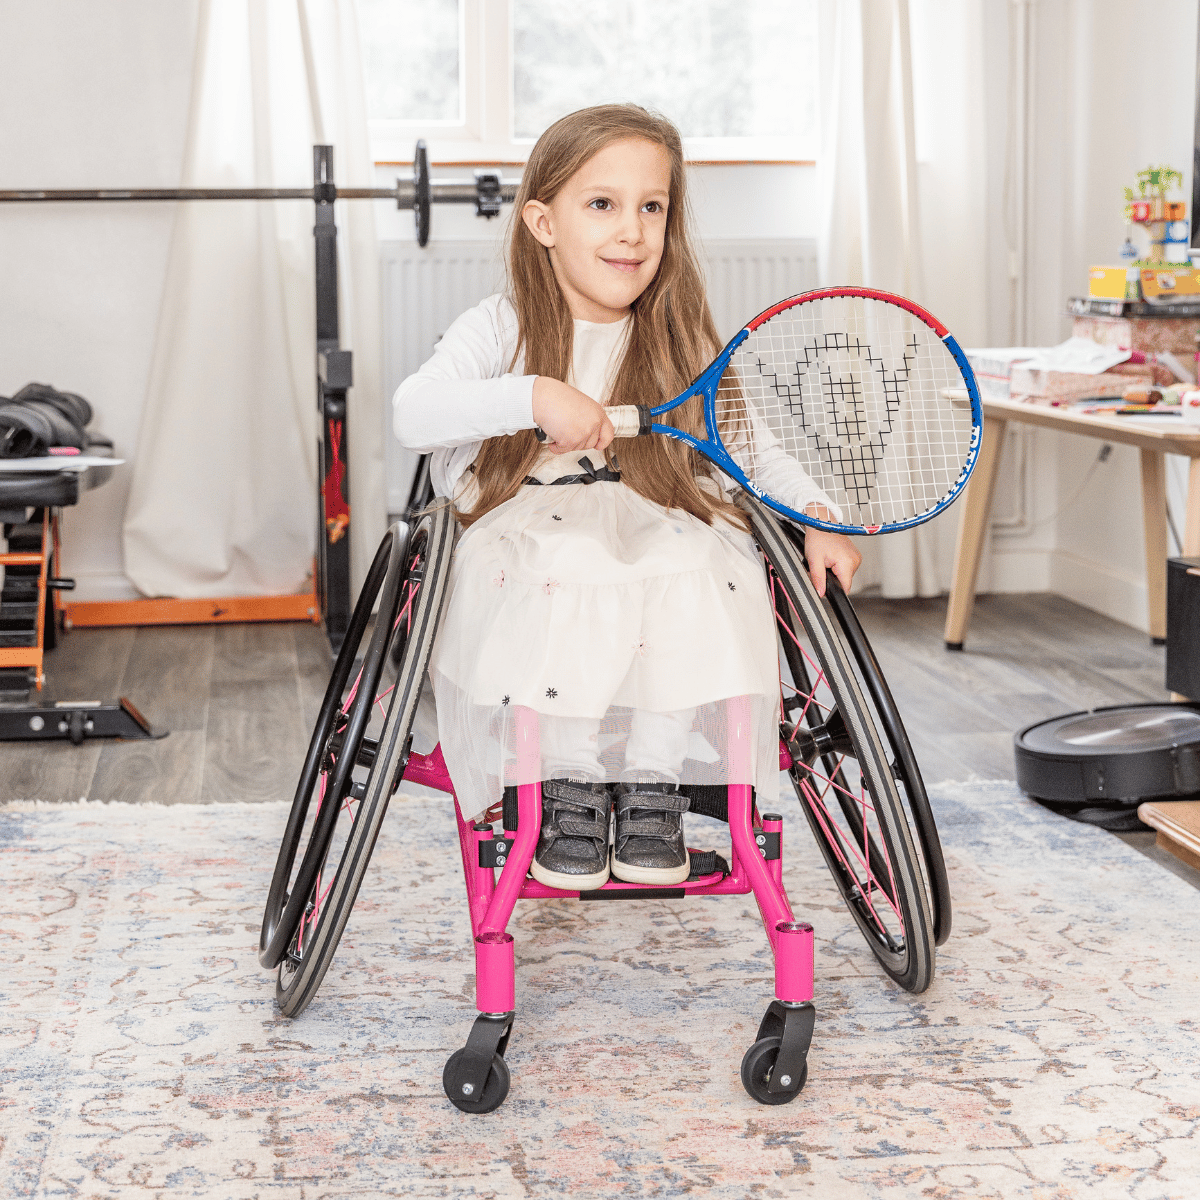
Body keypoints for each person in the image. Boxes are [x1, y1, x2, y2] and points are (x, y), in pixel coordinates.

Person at [393, 104, 861, 892]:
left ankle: (652, 783)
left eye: (652, 207)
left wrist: (816, 518)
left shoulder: (678, 339)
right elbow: (415, 413)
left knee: (707, 558)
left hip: (648, 510)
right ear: (543, 221)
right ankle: (569, 782)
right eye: (602, 204)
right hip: (526, 517)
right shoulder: (499, 327)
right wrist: (533, 394)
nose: (633, 231)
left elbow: (753, 450)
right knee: (565, 564)